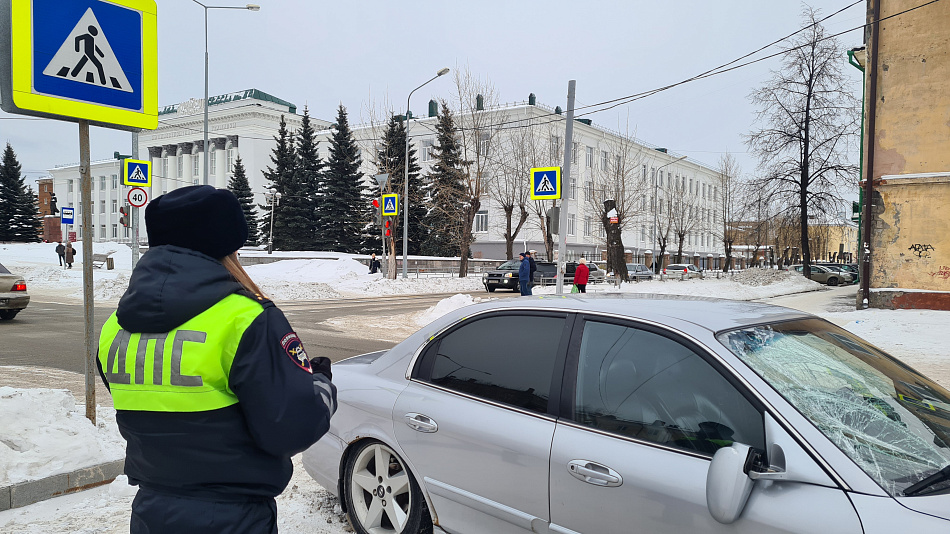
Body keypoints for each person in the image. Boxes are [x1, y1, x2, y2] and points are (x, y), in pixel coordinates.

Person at [96, 185, 337, 534]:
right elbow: (290, 429)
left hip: (151, 511)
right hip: (232, 517)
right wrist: (321, 386)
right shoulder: (247, 318)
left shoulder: (114, 326)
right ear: (229, 244)